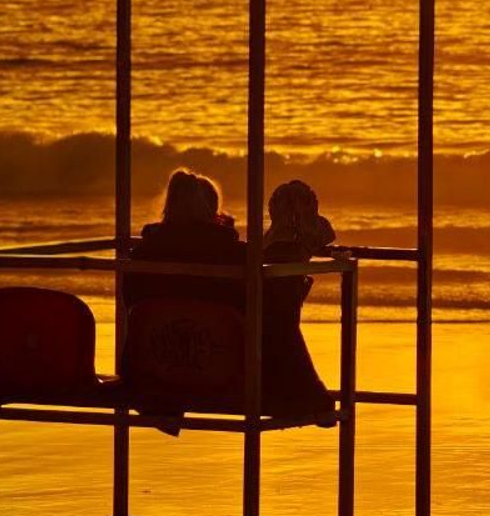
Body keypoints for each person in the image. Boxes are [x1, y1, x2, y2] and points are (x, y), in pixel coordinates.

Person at [259, 179, 335, 406]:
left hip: (237, 375)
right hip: (280, 387)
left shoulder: (257, 251)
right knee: (281, 311)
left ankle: (286, 230)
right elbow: (327, 233)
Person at [124, 168, 243, 312]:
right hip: (214, 328)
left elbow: (130, 295)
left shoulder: (149, 246)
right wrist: (227, 233)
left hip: (156, 326)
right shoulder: (226, 246)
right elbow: (241, 295)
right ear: (213, 210)